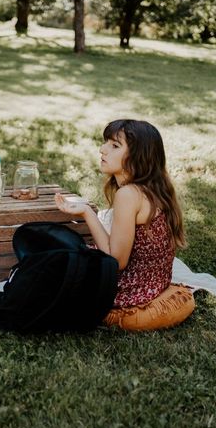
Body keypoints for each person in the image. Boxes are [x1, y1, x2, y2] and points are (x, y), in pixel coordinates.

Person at [54, 119, 194, 330]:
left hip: (130, 292)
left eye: (114, 146)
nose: (102, 149)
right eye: (106, 143)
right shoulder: (153, 188)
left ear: (137, 157)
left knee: (57, 263)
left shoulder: (128, 194)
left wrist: (87, 214)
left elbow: (116, 261)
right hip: (153, 285)